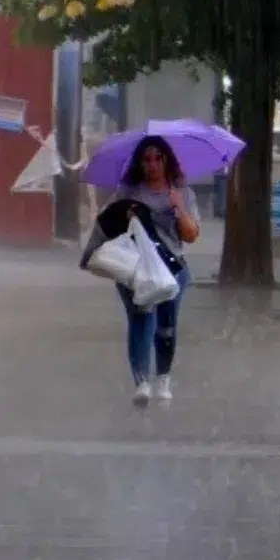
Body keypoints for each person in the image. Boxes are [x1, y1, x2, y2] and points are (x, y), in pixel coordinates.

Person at [115, 136, 200, 406]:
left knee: (166, 324)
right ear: (139, 163)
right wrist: (126, 218)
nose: (152, 165)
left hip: (172, 265)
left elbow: (191, 235)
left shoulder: (183, 193)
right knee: (141, 319)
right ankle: (142, 382)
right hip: (135, 267)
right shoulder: (128, 193)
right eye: (146, 159)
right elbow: (110, 227)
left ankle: (162, 377)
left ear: (166, 160)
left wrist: (179, 208)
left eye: (157, 158)